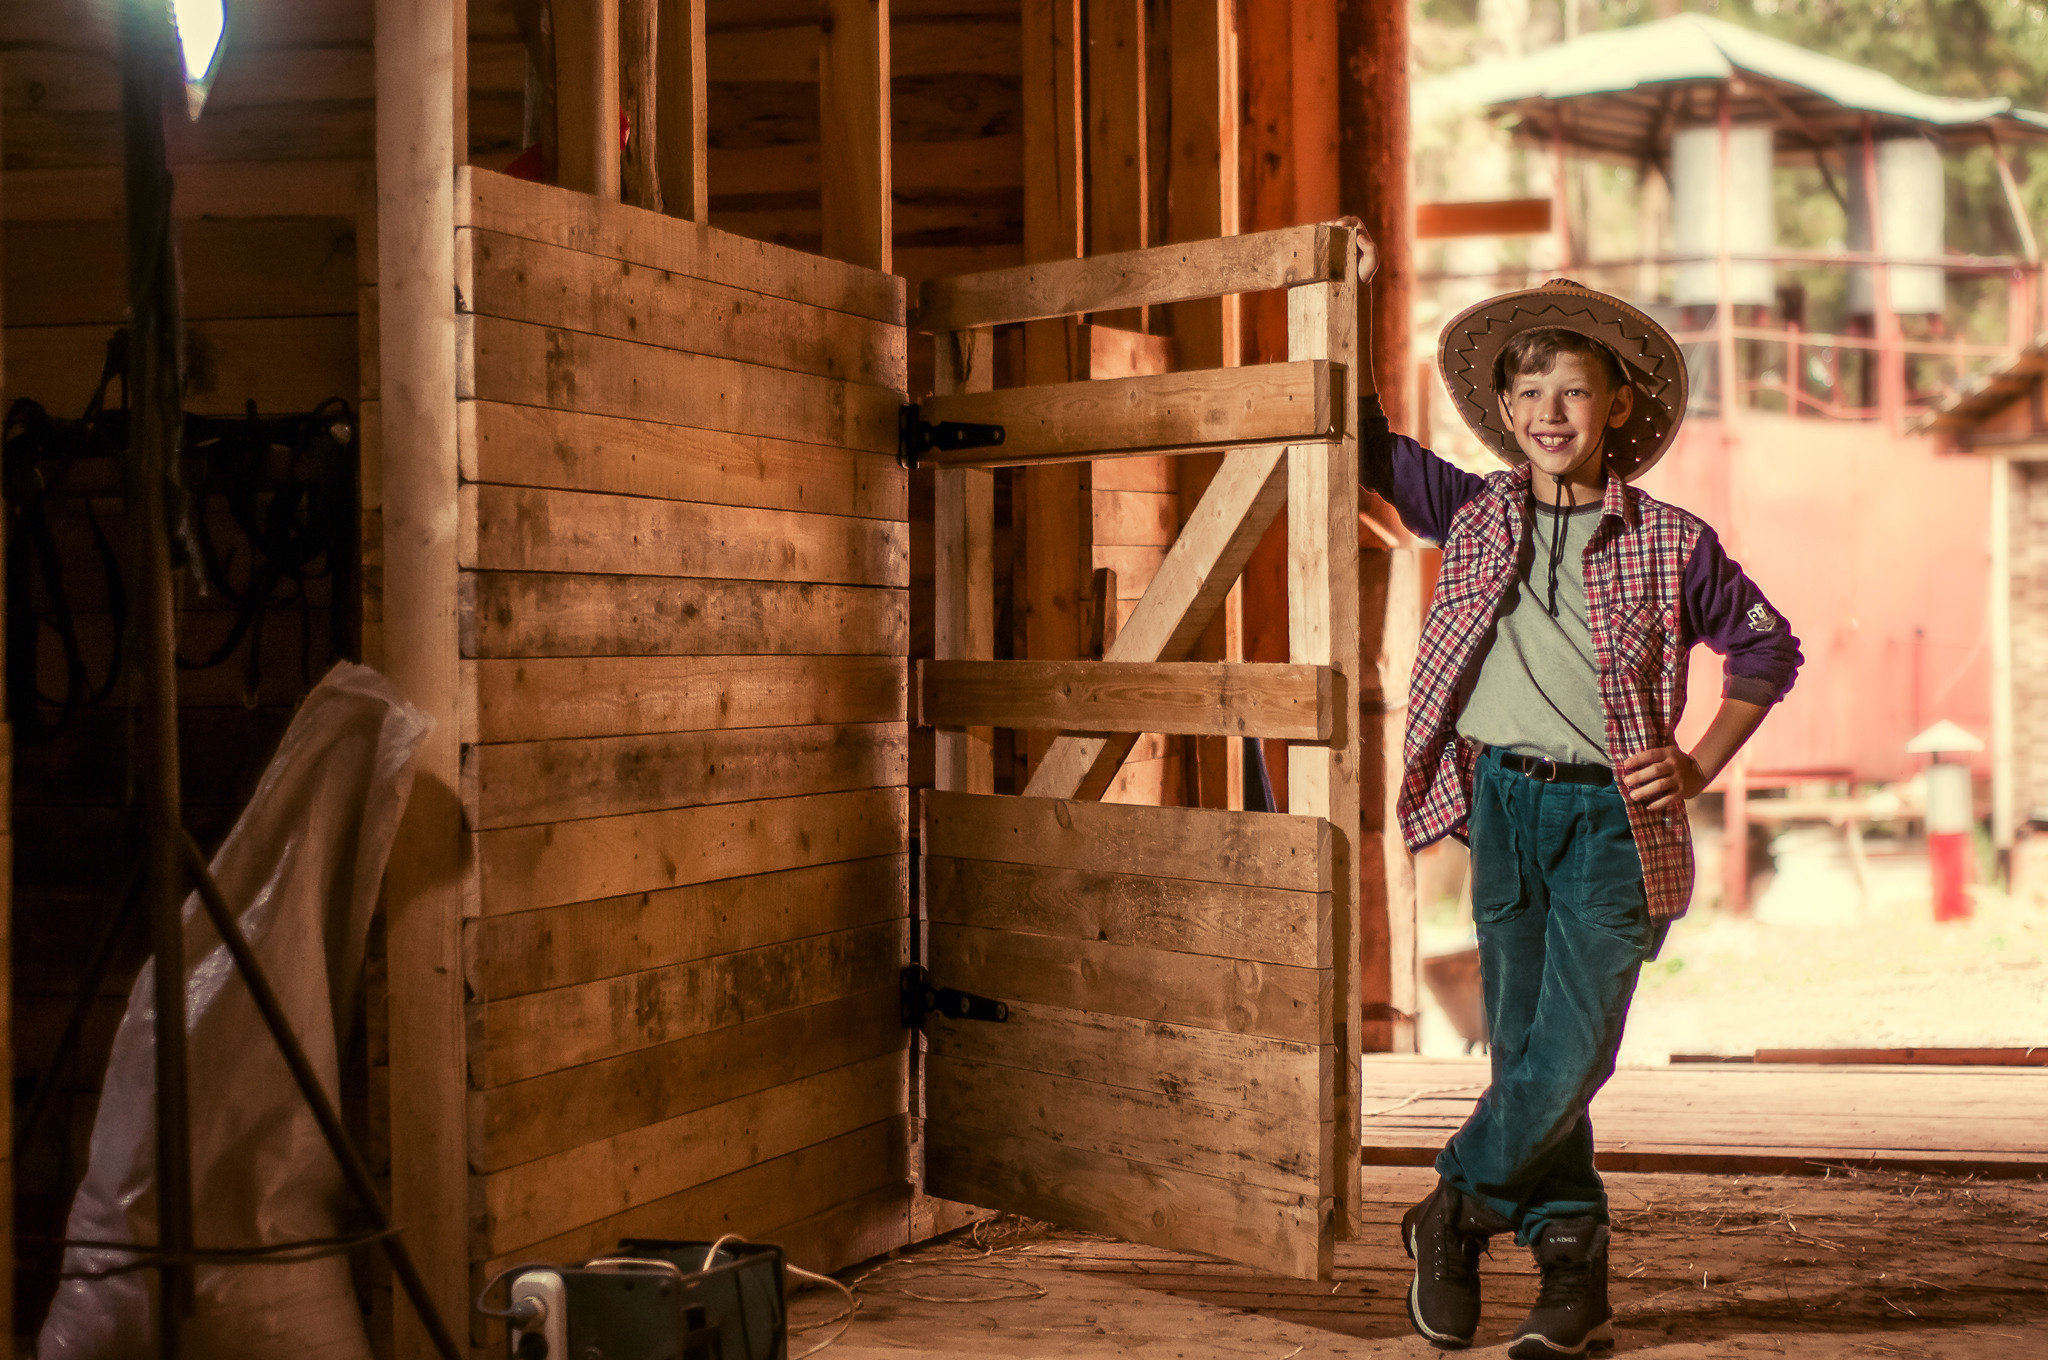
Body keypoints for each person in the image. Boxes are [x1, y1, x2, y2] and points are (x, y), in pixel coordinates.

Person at [1365, 279, 1802, 1357]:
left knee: (1574, 1046)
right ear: (1506, 414)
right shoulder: (1468, 510)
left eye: (1573, 390)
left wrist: (1694, 762)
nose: (1550, 411)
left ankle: (1452, 1205)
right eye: (1529, 393)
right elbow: (1364, 443)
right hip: (1503, 806)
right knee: (1519, 1049)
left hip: (1612, 821)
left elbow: (1766, 648)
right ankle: (1571, 1267)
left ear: (1614, 406)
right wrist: (1351, 288)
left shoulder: (1671, 543)